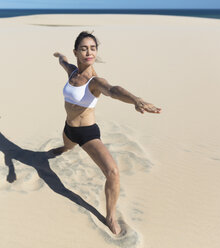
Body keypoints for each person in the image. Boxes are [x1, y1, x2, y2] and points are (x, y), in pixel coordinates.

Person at [49, 31, 161, 235]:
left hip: (86, 134)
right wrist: (59, 56)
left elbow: (114, 90)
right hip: (68, 128)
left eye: (92, 48)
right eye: (83, 48)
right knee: (65, 146)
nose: (88, 52)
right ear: (76, 52)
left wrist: (136, 100)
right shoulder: (72, 72)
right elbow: (63, 61)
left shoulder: (95, 81)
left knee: (113, 172)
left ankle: (110, 215)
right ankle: (65, 148)